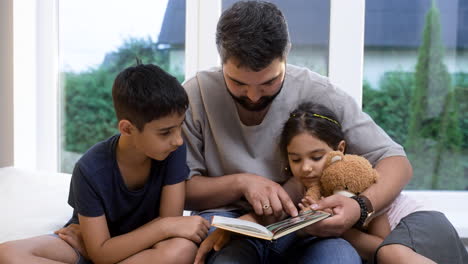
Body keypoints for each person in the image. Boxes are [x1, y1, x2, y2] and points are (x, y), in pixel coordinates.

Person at [182, 1, 413, 263]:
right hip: (228, 222)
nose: (254, 96)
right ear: (221, 60)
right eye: (238, 83)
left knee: (339, 260)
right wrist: (242, 183)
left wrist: (359, 207)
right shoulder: (195, 94)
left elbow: (396, 161)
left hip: (309, 223)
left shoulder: (318, 91)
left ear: (287, 54)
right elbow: (179, 189)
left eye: (270, 82)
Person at [0, 64, 210, 264]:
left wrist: (106, 252)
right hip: (88, 243)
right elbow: (103, 251)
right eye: (165, 132)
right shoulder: (90, 169)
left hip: (138, 248)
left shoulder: (172, 150)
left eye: (179, 126)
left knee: (181, 250)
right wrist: (103, 252)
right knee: (8, 254)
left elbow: (171, 225)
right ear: (127, 128)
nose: (178, 140)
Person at [283, 102, 468, 263]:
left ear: (339, 149)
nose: (306, 168)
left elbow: (379, 245)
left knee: (389, 253)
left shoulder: (355, 181)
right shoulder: (307, 191)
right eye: (296, 160)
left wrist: (337, 227)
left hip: (419, 226)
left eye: (316, 157)